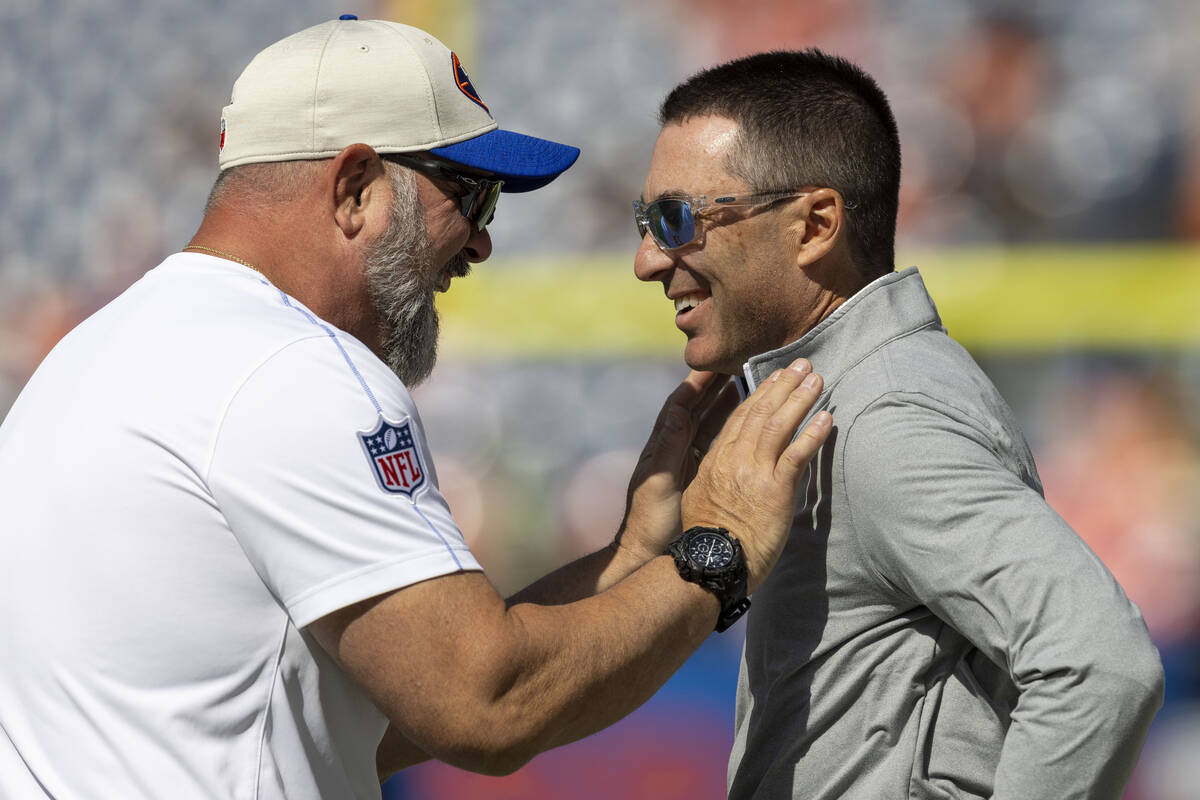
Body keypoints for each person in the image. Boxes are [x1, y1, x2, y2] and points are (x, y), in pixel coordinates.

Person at [0, 18, 834, 800]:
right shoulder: (290, 364)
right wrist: (722, 552)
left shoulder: (94, 351)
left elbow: (359, 713)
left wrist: (633, 559)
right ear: (356, 186)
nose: (482, 241)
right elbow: (485, 704)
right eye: (470, 195)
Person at [632, 49, 1164, 799]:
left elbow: (1100, 662)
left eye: (675, 219)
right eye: (644, 220)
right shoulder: (834, 395)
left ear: (815, 224)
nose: (646, 260)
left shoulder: (884, 417)